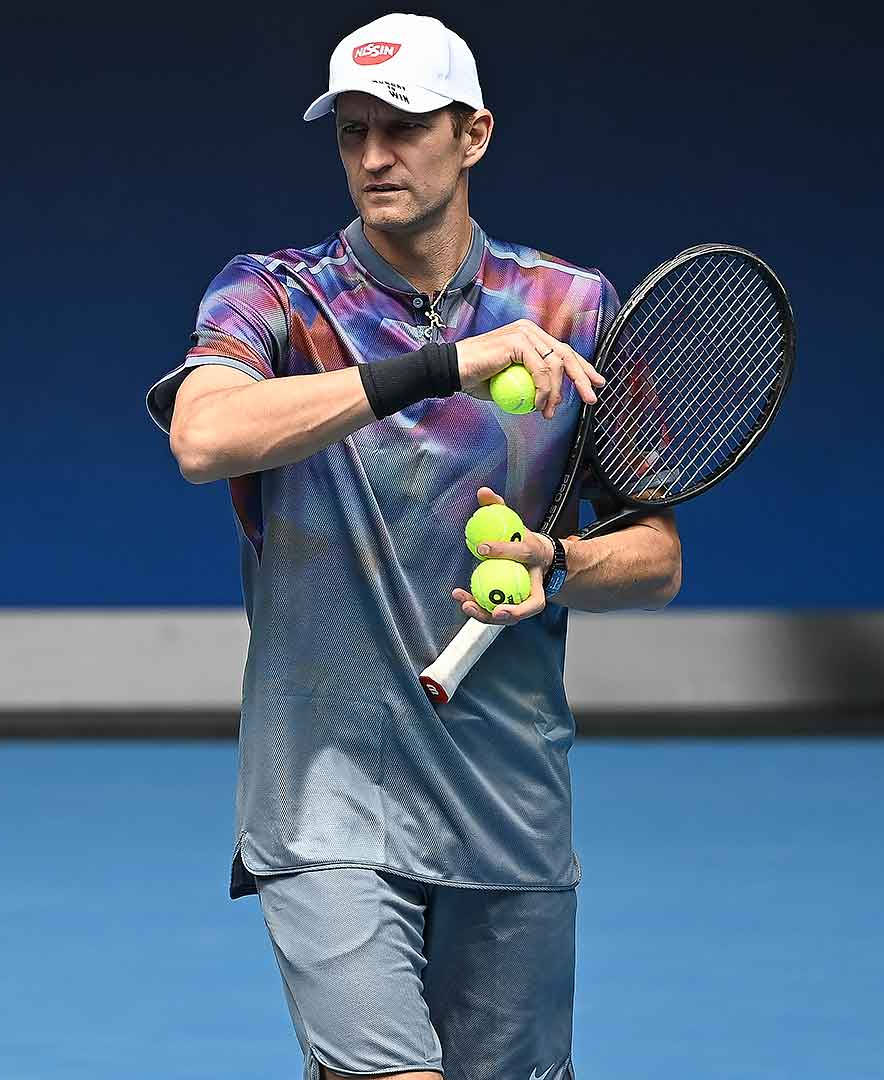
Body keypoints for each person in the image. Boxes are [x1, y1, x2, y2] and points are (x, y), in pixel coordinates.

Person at [147, 15, 683, 1080]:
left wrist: (562, 564)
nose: (374, 157)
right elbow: (203, 436)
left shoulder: (574, 308)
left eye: (402, 128)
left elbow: (658, 553)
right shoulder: (275, 294)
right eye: (352, 133)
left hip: (509, 806)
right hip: (324, 795)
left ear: (474, 134)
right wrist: (443, 365)